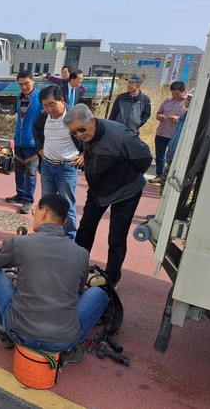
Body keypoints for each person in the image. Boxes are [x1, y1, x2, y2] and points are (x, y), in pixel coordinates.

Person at [0, 194, 108, 357]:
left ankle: (3, 330)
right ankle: (69, 350)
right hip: (62, 340)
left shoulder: (22, 243)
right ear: (64, 222)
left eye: (35, 211)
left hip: (20, 333)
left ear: (44, 212)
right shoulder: (82, 254)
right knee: (98, 294)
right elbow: (78, 294)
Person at [63, 104, 152, 286]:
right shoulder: (81, 135)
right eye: (74, 132)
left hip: (126, 191)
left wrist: (124, 176)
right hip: (98, 189)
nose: (79, 135)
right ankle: (76, 269)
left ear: (92, 121)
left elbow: (145, 158)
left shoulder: (119, 135)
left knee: (116, 237)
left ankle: (112, 279)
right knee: (85, 228)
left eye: (81, 130)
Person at [33, 85, 83, 239]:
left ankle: (68, 239)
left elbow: (91, 136)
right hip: (47, 166)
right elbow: (36, 130)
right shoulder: (43, 117)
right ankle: (46, 236)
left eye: (52, 104)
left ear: (62, 100)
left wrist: (84, 154)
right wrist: (40, 148)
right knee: (46, 206)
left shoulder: (75, 116)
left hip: (66, 168)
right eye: (45, 105)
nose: (49, 109)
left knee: (67, 205)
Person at [5, 70, 43, 214]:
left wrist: (39, 140)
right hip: (19, 140)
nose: (24, 87)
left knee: (31, 173)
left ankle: (28, 200)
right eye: (21, 84)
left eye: (27, 83)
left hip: (33, 143)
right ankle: (20, 194)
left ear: (33, 81)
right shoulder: (19, 97)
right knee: (18, 171)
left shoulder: (40, 97)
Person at [149, 81, 189, 184]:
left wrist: (177, 118)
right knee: (160, 154)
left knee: (173, 156)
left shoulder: (187, 102)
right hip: (162, 131)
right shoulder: (167, 100)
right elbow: (159, 113)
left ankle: (169, 176)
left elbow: (188, 118)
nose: (174, 95)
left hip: (175, 134)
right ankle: (159, 175)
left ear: (183, 91)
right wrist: (160, 117)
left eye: (177, 93)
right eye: (173, 93)